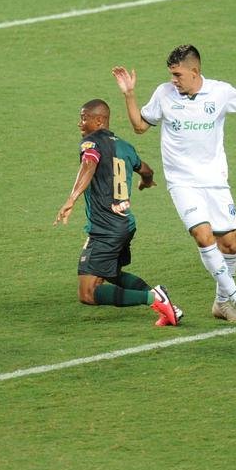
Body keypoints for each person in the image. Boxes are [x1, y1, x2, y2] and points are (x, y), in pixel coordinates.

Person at [112, 45, 236, 327]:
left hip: (214, 181)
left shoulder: (220, 92)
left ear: (195, 71)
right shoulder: (164, 94)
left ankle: (221, 302)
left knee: (230, 243)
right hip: (182, 182)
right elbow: (140, 126)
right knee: (203, 235)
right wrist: (128, 94)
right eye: (171, 75)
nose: (173, 80)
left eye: (177, 75)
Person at [54, 99, 182, 327]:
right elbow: (147, 169)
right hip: (125, 225)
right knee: (110, 273)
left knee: (88, 293)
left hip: (105, 229)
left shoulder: (91, 143)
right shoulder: (125, 146)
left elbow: (89, 166)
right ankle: (167, 304)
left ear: (99, 120)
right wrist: (147, 181)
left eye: (84, 118)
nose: (80, 124)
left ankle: (154, 298)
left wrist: (71, 199)